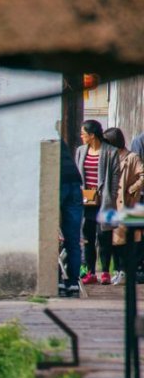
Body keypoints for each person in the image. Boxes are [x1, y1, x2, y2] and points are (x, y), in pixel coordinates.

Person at [76, 119, 120, 285]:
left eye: (83, 133)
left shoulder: (110, 152)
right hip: (86, 200)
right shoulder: (81, 151)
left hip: (105, 199)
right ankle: (91, 272)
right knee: (87, 236)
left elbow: (115, 175)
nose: (81, 136)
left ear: (92, 135)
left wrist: (112, 194)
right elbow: (78, 174)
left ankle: (106, 273)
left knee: (104, 236)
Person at [102, 127, 144, 286]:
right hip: (110, 203)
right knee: (113, 239)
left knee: (126, 239)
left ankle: (125, 271)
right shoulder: (108, 157)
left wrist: (133, 189)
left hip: (125, 204)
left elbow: (142, 175)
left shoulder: (132, 157)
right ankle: (119, 270)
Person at [59, 141, 84, 297]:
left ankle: (58, 281)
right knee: (73, 239)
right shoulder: (62, 143)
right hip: (75, 183)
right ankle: (74, 283)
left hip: (58, 181)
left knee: (50, 236)